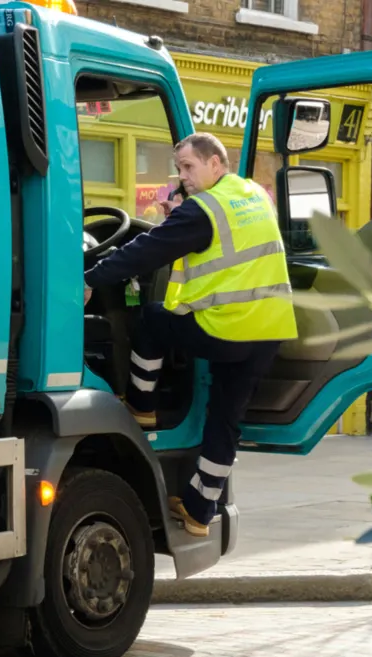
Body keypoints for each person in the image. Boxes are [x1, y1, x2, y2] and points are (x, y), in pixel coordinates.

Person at [82, 132, 298, 538]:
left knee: (151, 318)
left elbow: (146, 251)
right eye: (179, 169)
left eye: (189, 166)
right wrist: (175, 217)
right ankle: (199, 512)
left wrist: (90, 278)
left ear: (216, 163)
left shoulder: (203, 209)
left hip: (226, 329)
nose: (183, 176)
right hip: (269, 331)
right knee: (225, 420)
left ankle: (141, 406)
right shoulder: (252, 194)